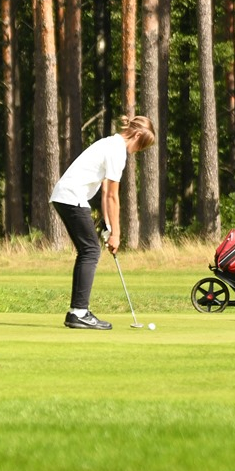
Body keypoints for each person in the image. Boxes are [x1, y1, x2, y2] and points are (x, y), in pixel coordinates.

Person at [49, 115, 156, 330]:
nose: (137, 150)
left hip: (66, 196)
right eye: (140, 145)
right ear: (136, 135)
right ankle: (79, 313)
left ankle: (77, 312)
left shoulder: (110, 143)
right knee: (90, 251)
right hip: (71, 197)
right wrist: (116, 233)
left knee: (88, 250)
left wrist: (108, 226)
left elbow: (107, 192)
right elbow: (111, 196)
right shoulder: (117, 151)